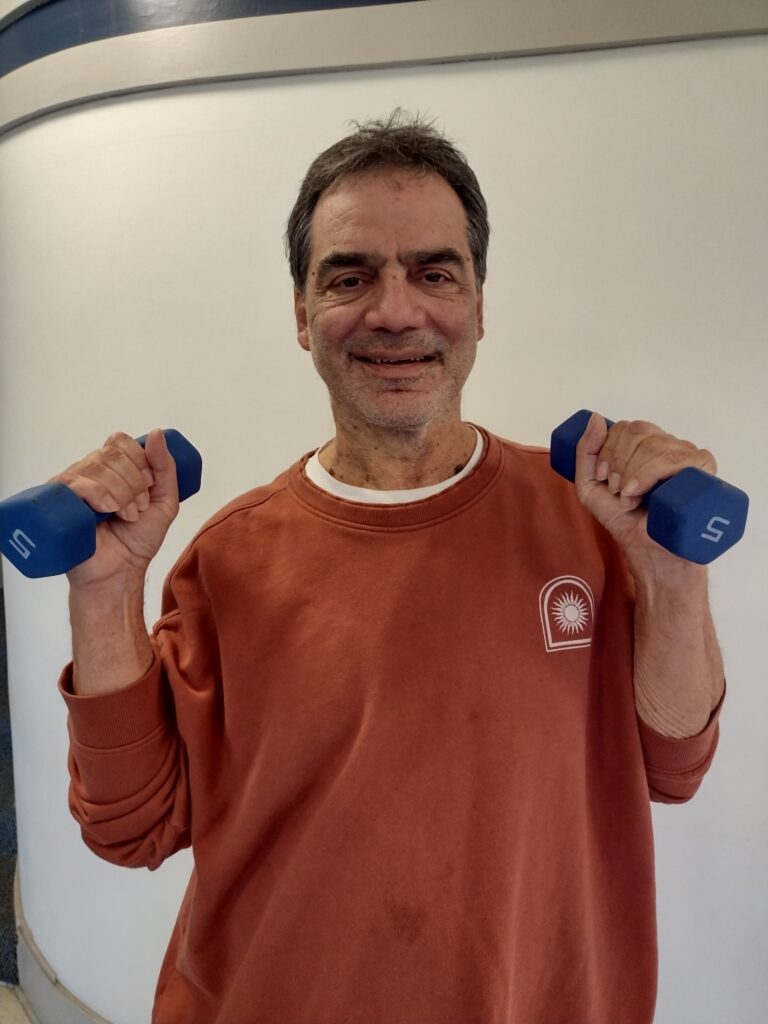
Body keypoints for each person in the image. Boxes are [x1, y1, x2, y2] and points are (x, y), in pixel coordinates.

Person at [57, 112, 724, 1024]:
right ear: (302, 314)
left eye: (434, 272)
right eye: (350, 276)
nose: (396, 310)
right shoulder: (232, 557)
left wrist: (673, 575)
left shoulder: (591, 518)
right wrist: (103, 592)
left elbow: (674, 765)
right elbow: (129, 827)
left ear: (480, 304)